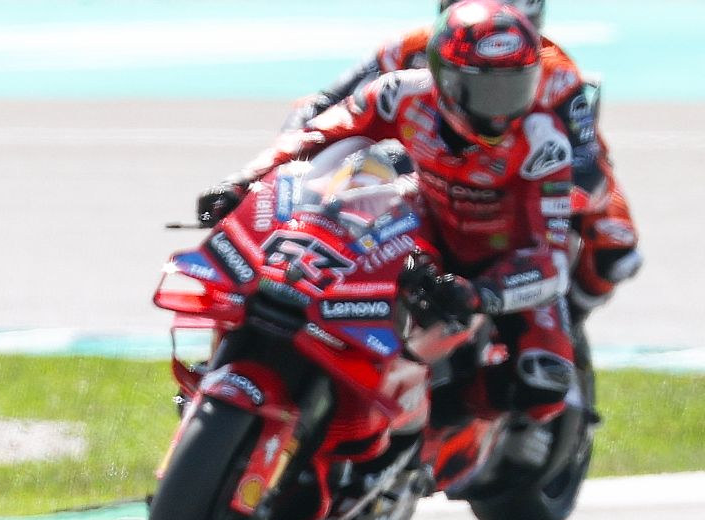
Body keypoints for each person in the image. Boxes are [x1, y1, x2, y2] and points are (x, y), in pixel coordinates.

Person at [199, 0, 576, 425]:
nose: (501, 110)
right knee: (308, 262)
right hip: (421, 234)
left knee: (544, 382)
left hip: (497, 266)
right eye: (487, 92)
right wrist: (242, 181)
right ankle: (255, 369)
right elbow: (316, 136)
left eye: (515, 89)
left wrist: (481, 293)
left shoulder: (544, 145)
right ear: (445, 79)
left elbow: (551, 261)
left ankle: (439, 429)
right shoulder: (400, 94)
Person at [281, 0, 639, 321]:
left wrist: (529, 195)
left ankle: (564, 321)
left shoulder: (556, 71)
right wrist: (293, 160)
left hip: (522, 187)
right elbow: (321, 109)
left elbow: (589, 171)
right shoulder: (409, 48)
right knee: (374, 166)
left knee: (617, 248)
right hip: (425, 175)